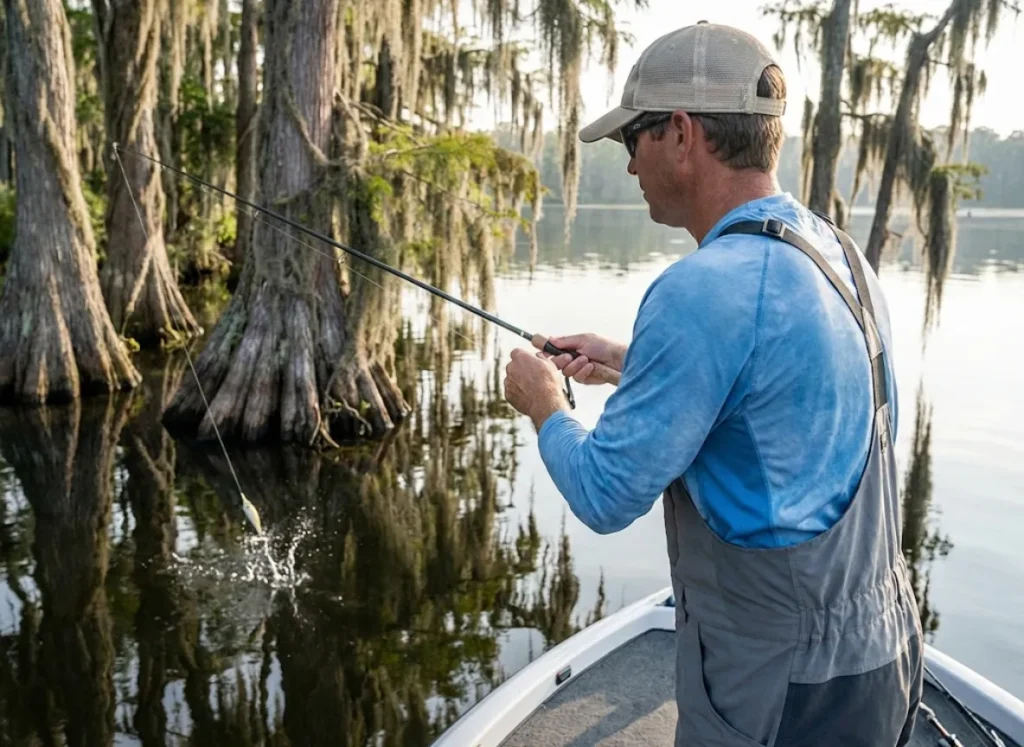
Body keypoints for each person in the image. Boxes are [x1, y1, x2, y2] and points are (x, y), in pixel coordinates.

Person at [502, 21, 924, 747]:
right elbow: (786, 396)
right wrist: (632, 363)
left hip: (783, 692)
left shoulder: (700, 290)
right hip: (886, 655)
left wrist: (546, 406)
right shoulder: (840, 254)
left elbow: (604, 493)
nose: (630, 165)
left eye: (632, 139)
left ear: (681, 133)